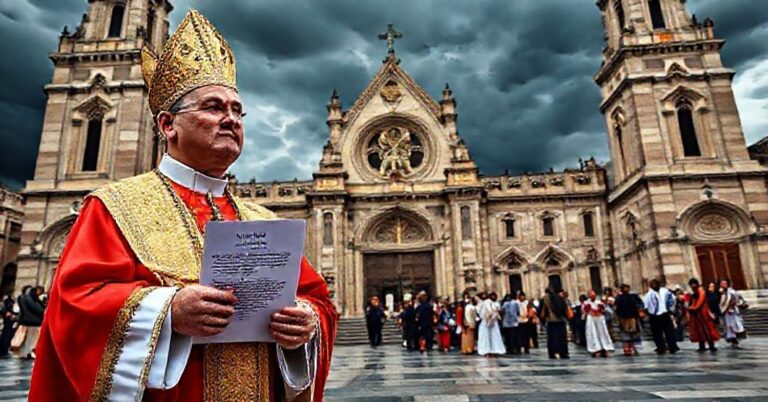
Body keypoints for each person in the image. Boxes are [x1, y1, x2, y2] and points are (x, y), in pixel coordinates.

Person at [28, 10, 338, 402]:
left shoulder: (263, 220)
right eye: (214, 107)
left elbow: (319, 302)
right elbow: (74, 306)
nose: (231, 120)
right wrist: (167, 311)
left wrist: (306, 322)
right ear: (168, 124)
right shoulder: (113, 208)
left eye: (238, 110)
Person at [644, 279, 679, 355]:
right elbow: (645, 306)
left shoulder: (665, 291)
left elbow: (672, 299)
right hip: (654, 316)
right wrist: (650, 313)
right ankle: (661, 347)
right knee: (657, 333)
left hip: (665, 313)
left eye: (655, 284)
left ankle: (672, 346)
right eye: (652, 284)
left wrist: (671, 309)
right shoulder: (648, 295)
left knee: (669, 331)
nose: (654, 286)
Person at [687, 278, 720, 352]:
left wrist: (695, 307)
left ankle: (711, 345)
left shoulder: (700, 290)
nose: (692, 286)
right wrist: (692, 307)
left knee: (706, 328)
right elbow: (694, 300)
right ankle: (702, 345)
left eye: (693, 284)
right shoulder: (695, 291)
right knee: (699, 329)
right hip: (697, 313)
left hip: (702, 312)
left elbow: (700, 299)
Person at [582, 290, 614, 357]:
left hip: (599, 320)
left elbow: (604, 309)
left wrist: (600, 310)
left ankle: (605, 348)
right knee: (593, 334)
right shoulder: (586, 303)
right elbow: (584, 311)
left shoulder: (599, 302)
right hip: (591, 320)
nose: (593, 297)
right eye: (591, 296)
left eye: (594, 295)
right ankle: (596, 349)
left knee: (603, 334)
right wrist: (590, 312)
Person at [17, 285, 45, 359]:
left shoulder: (22, 297)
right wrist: (44, 312)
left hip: (27, 321)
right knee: (31, 339)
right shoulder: (31, 298)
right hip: (33, 321)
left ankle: (25, 353)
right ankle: (27, 353)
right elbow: (36, 309)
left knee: (27, 339)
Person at [614, 284, 643, 356]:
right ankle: (631, 349)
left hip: (628, 318)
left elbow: (616, 308)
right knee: (630, 334)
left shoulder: (620, 298)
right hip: (627, 318)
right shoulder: (633, 297)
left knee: (628, 334)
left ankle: (629, 349)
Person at [540, 288, 569, 359]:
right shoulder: (561, 298)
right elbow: (565, 308)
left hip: (551, 320)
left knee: (552, 338)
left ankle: (553, 353)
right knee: (562, 338)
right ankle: (563, 353)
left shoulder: (546, 298)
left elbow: (542, 309)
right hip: (561, 320)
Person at [718, 278, 745, 348]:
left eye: (725, 283)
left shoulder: (731, 292)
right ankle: (732, 340)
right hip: (725, 312)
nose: (723, 285)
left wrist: (731, 307)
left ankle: (736, 339)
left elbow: (736, 300)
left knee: (734, 324)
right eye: (722, 283)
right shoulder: (720, 292)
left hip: (732, 311)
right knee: (728, 326)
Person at [476, 292, 505, 356]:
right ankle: (495, 349)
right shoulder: (492, 303)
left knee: (486, 336)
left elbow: (480, 314)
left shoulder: (482, 304)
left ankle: (486, 350)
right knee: (494, 336)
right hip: (492, 321)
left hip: (485, 322)